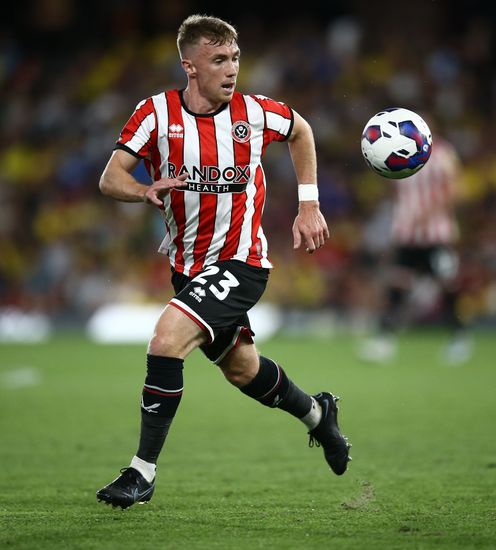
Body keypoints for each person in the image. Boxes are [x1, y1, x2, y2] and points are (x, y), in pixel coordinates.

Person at [96, 14, 351, 510]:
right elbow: (111, 179)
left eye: (235, 57)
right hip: (188, 268)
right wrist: (144, 190)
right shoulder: (154, 113)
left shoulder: (254, 112)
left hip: (241, 263)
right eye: (218, 59)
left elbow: (301, 131)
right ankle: (319, 417)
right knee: (243, 370)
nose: (231, 69)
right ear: (189, 66)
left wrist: (308, 203)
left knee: (166, 340)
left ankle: (141, 472)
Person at [358, 132, 472, 365]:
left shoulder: (442, 153)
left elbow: (457, 190)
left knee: (447, 286)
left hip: (435, 235)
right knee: (397, 284)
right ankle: (384, 339)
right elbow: (398, 191)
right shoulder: (396, 152)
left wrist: (427, 214)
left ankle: (460, 337)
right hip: (407, 234)